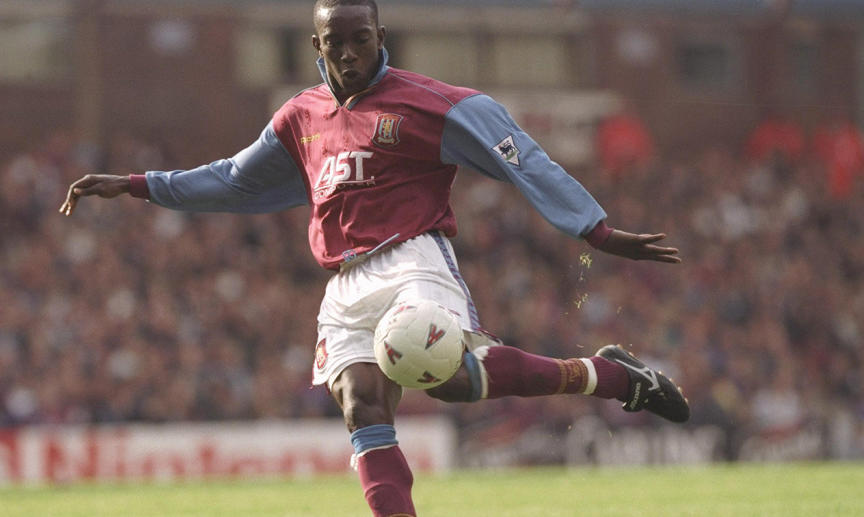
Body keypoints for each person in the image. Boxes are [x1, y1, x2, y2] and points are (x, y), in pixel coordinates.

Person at [60, 1, 688, 515]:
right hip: (342, 283)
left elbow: (519, 156)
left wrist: (595, 229)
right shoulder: (300, 117)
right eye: (337, 43)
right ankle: (613, 377)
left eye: (362, 39)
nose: (351, 53)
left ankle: (614, 379)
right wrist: (138, 184)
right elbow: (231, 179)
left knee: (439, 378)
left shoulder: (430, 103)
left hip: (413, 259)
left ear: (381, 35)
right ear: (318, 45)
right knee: (370, 402)